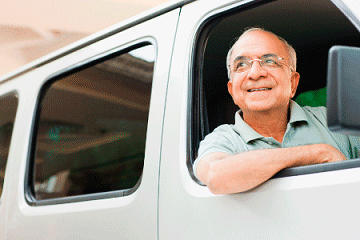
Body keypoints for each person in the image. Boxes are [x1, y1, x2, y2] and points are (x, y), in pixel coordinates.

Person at [193, 27, 359, 195]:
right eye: (241, 65)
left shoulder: (330, 120)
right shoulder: (224, 139)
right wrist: (319, 153)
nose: (255, 73)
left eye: (270, 61)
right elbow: (217, 177)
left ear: (293, 83)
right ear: (232, 92)